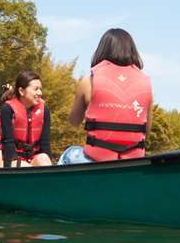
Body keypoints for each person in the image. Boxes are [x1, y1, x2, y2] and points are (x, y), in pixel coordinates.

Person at [61, 28, 153, 164]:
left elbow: (74, 121)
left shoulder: (88, 82)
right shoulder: (146, 84)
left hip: (96, 159)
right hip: (133, 160)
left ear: (102, 50)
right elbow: (147, 130)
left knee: (70, 153)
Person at [0, 70, 52, 167]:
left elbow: (45, 143)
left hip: (34, 158)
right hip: (14, 160)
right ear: (21, 91)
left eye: (40, 89)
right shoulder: (7, 109)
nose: (40, 93)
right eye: (36, 89)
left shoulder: (45, 110)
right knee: (23, 166)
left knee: (44, 158)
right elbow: (8, 143)